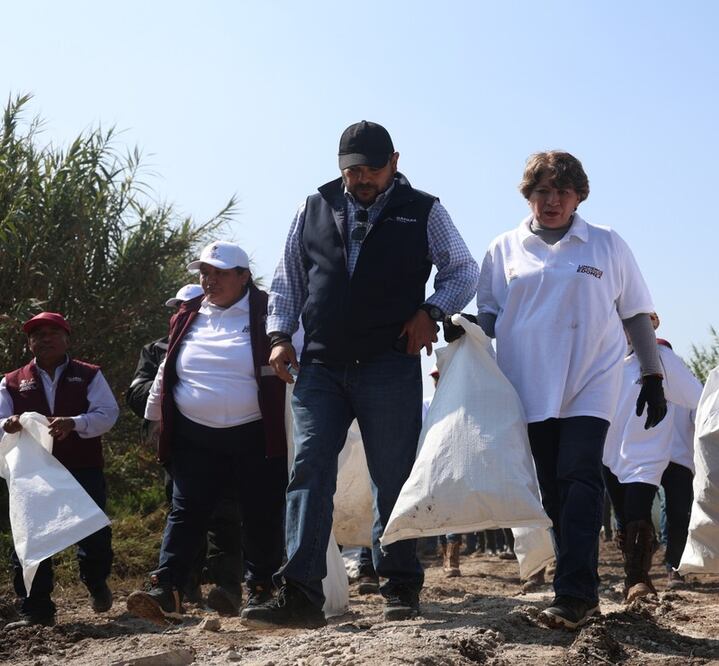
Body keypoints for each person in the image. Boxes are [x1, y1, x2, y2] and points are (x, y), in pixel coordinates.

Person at [242, 121, 478, 627]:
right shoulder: (313, 207)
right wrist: (280, 337)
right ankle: (301, 592)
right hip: (320, 367)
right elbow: (288, 281)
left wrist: (430, 311)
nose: (361, 179)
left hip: (388, 363)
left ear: (394, 161)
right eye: (352, 170)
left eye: (371, 168)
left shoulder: (423, 210)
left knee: (392, 476)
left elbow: (462, 269)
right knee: (308, 472)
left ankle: (400, 586)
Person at [474, 150, 667, 629]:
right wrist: (465, 336)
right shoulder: (503, 249)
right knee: (552, 491)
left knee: (579, 476)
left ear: (579, 195)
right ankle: (576, 580)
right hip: (528, 387)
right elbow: (488, 320)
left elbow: (636, 313)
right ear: (528, 196)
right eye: (542, 191)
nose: (552, 201)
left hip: (590, 382)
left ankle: (576, 592)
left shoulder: (605, 244)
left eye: (562, 191)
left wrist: (652, 375)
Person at [126, 241, 288, 624]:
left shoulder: (269, 311)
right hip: (195, 436)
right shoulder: (188, 313)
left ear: (243, 276)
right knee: (186, 511)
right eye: (204, 272)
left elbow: (291, 359)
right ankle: (166, 588)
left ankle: (262, 588)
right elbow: (168, 369)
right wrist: (155, 419)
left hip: (255, 432)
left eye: (219, 273)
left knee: (259, 511)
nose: (209, 280)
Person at [125, 283, 245, 614]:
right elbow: (136, 395)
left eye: (189, 305)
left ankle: (227, 590)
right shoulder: (156, 349)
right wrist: (175, 393)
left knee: (225, 513)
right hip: (178, 447)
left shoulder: (230, 341)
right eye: (178, 307)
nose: (184, 311)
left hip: (225, 441)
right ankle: (179, 588)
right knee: (182, 512)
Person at [1, 312, 119, 629]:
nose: (46, 338)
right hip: (33, 475)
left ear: (67, 338)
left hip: (82, 467)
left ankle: (95, 582)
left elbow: (107, 414)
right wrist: (8, 424)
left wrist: (75, 423)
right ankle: (36, 609)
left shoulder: (89, 374)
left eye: (53, 332)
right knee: (30, 541)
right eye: (38, 334)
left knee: (95, 537)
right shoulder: (11, 381)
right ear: (29, 343)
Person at [602, 314, 701, 600]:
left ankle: (639, 579)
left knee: (639, 516)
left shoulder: (662, 360)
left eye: (633, 325)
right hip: (608, 453)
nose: (626, 331)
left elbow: (699, 399)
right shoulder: (598, 359)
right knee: (622, 517)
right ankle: (632, 573)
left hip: (647, 455)